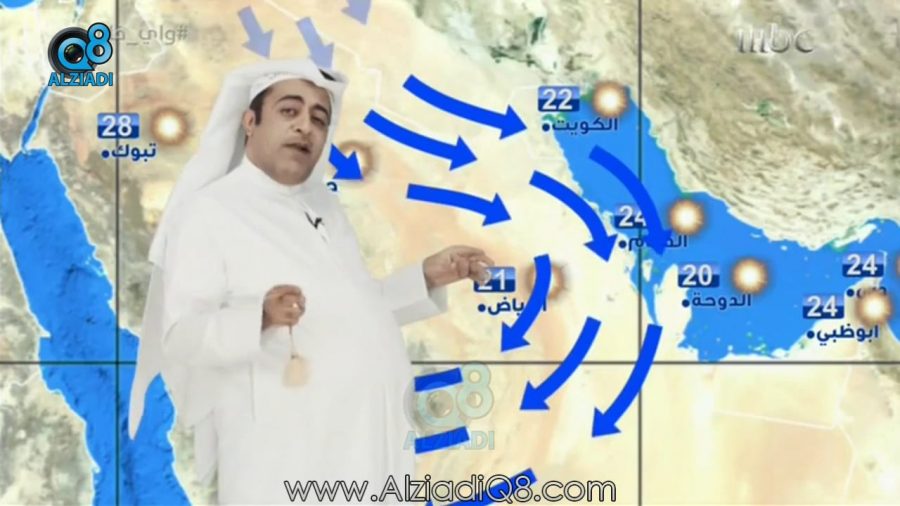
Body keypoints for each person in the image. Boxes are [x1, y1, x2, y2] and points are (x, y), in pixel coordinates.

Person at [127, 58, 495, 504]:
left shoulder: (323, 207)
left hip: (367, 447)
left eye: (319, 119)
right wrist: (258, 318)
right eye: (289, 110)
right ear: (249, 122)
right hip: (287, 459)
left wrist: (425, 277)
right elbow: (181, 337)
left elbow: (347, 309)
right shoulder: (210, 211)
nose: (305, 126)